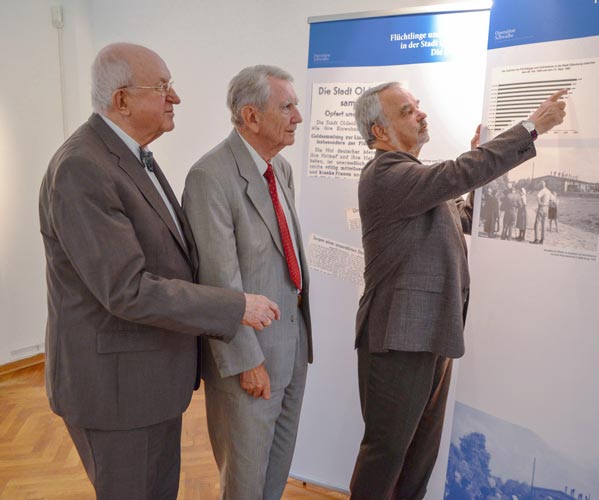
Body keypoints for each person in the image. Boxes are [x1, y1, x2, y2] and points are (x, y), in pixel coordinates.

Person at [38, 43, 280, 500]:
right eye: (163, 87)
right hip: (116, 395)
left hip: (145, 385)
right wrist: (235, 306)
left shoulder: (130, 156)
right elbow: (126, 289)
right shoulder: (81, 167)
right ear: (122, 100)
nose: (177, 98)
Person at [349, 82, 566, 499]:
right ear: (379, 131)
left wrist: (483, 167)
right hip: (399, 339)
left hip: (432, 333)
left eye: (418, 107)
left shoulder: (414, 178)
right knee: (387, 454)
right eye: (408, 111)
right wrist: (531, 128)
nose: (421, 114)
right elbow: (458, 173)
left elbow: (463, 215)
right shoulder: (386, 174)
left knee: (418, 459)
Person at [182, 65, 312, 500]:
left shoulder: (282, 170)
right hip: (249, 362)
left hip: (291, 350)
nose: (298, 116)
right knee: (244, 482)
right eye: (288, 106)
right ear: (251, 117)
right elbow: (219, 280)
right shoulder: (210, 177)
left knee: (274, 474)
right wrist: (246, 360)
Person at [531, 179, 552, 244]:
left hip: (542, 208)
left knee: (537, 224)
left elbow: (537, 196)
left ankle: (536, 239)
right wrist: (547, 204)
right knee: (544, 224)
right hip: (547, 208)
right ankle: (542, 240)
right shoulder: (549, 191)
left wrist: (540, 202)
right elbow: (552, 199)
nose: (540, 185)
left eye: (541, 184)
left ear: (543, 185)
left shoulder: (542, 190)